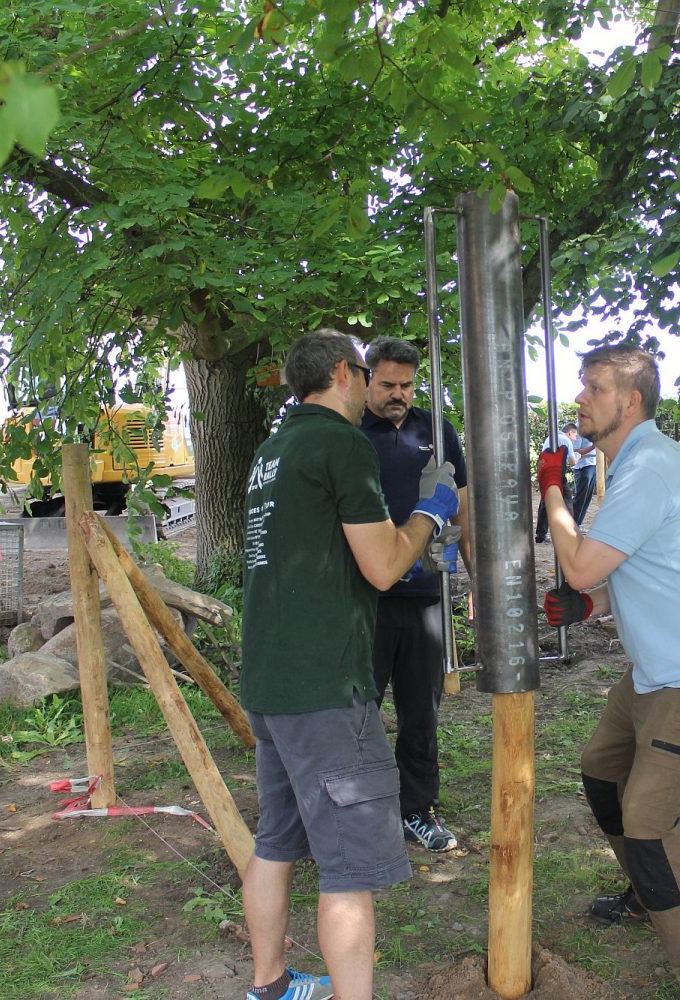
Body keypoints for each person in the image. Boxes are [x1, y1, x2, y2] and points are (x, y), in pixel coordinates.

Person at [239, 329, 461, 1000]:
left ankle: (270, 986)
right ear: (343, 372)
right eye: (366, 374)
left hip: (271, 681)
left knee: (275, 841)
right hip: (326, 687)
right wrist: (429, 513)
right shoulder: (341, 444)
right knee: (349, 866)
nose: (373, 386)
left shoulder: (272, 452)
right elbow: (386, 565)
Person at [536, 345, 680, 1000]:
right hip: (657, 670)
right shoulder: (633, 463)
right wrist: (591, 601)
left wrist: (551, 486)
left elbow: (578, 563)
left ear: (628, 401)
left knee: (647, 821)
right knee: (602, 774)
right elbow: (621, 571)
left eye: (594, 389)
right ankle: (647, 896)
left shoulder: (649, 468)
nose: (581, 400)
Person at [359, 336, 473, 853]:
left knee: (421, 711)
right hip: (363, 598)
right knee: (356, 707)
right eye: (387, 384)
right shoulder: (348, 431)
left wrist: (477, 586)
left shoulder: (438, 431)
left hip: (427, 595)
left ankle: (416, 810)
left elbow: (465, 513)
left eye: (406, 384)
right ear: (365, 380)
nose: (397, 394)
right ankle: (356, 812)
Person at [533, 425, 573, 544]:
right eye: (575, 435)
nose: (576, 438)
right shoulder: (566, 441)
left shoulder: (548, 439)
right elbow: (572, 461)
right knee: (567, 502)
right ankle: (569, 532)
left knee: (545, 502)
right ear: (570, 433)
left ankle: (540, 534)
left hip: (545, 473)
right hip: (557, 474)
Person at [565, 421, 598, 527]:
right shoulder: (579, 428)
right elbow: (575, 451)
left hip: (593, 463)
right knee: (581, 496)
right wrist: (593, 447)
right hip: (583, 465)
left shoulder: (595, 424)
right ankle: (572, 524)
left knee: (587, 497)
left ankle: (578, 524)